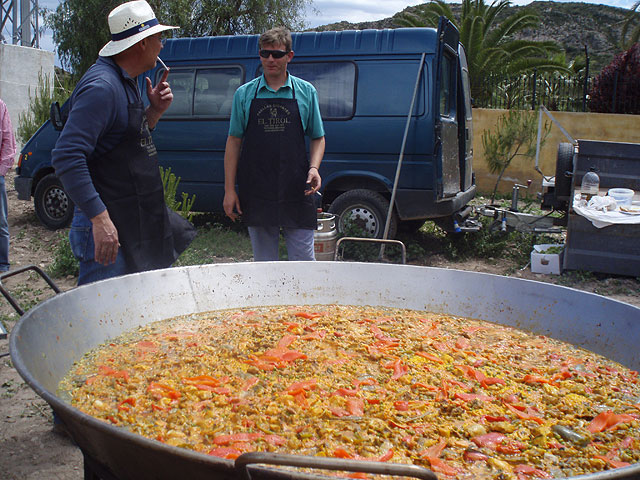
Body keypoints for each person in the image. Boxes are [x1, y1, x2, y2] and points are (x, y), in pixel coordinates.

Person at [51, 0, 195, 285]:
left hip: (130, 218)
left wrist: (153, 112)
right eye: (158, 37)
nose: (162, 45)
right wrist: (100, 220)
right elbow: (67, 156)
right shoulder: (102, 88)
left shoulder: (128, 81)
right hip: (108, 227)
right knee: (103, 318)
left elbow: (123, 144)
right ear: (141, 43)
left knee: (131, 317)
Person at [223, 27, 325, 261]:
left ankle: (303, 299)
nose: (270, 59)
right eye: (265, 53)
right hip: (257, 189)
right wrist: (229, 190)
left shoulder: (306, 92)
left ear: (289, 56)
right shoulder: (244, 94)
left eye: (277, 54)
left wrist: (314, 168)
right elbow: (234, 142)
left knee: (303, 262)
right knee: (264, 265)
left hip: (298, 188)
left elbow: (318, 137)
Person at [0, 98, 16, 272]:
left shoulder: (1, 107)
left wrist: (1, 172)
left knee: (1, 222)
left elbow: (8, 140)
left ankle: (3, 265)